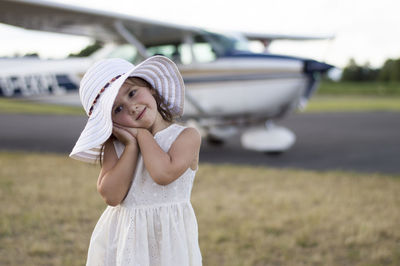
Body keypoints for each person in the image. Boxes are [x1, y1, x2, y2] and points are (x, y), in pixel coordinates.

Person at [70, 56, 202, 266]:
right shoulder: (118, 146)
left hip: (168, 240)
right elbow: (111, 196)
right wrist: (131, 147)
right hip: (125, 240)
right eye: (117, 109)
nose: (131, 107)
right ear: (110, 122)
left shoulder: (186, 136)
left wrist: (141, 135)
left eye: (132, 93)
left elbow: (163, 173)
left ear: (150, 88)